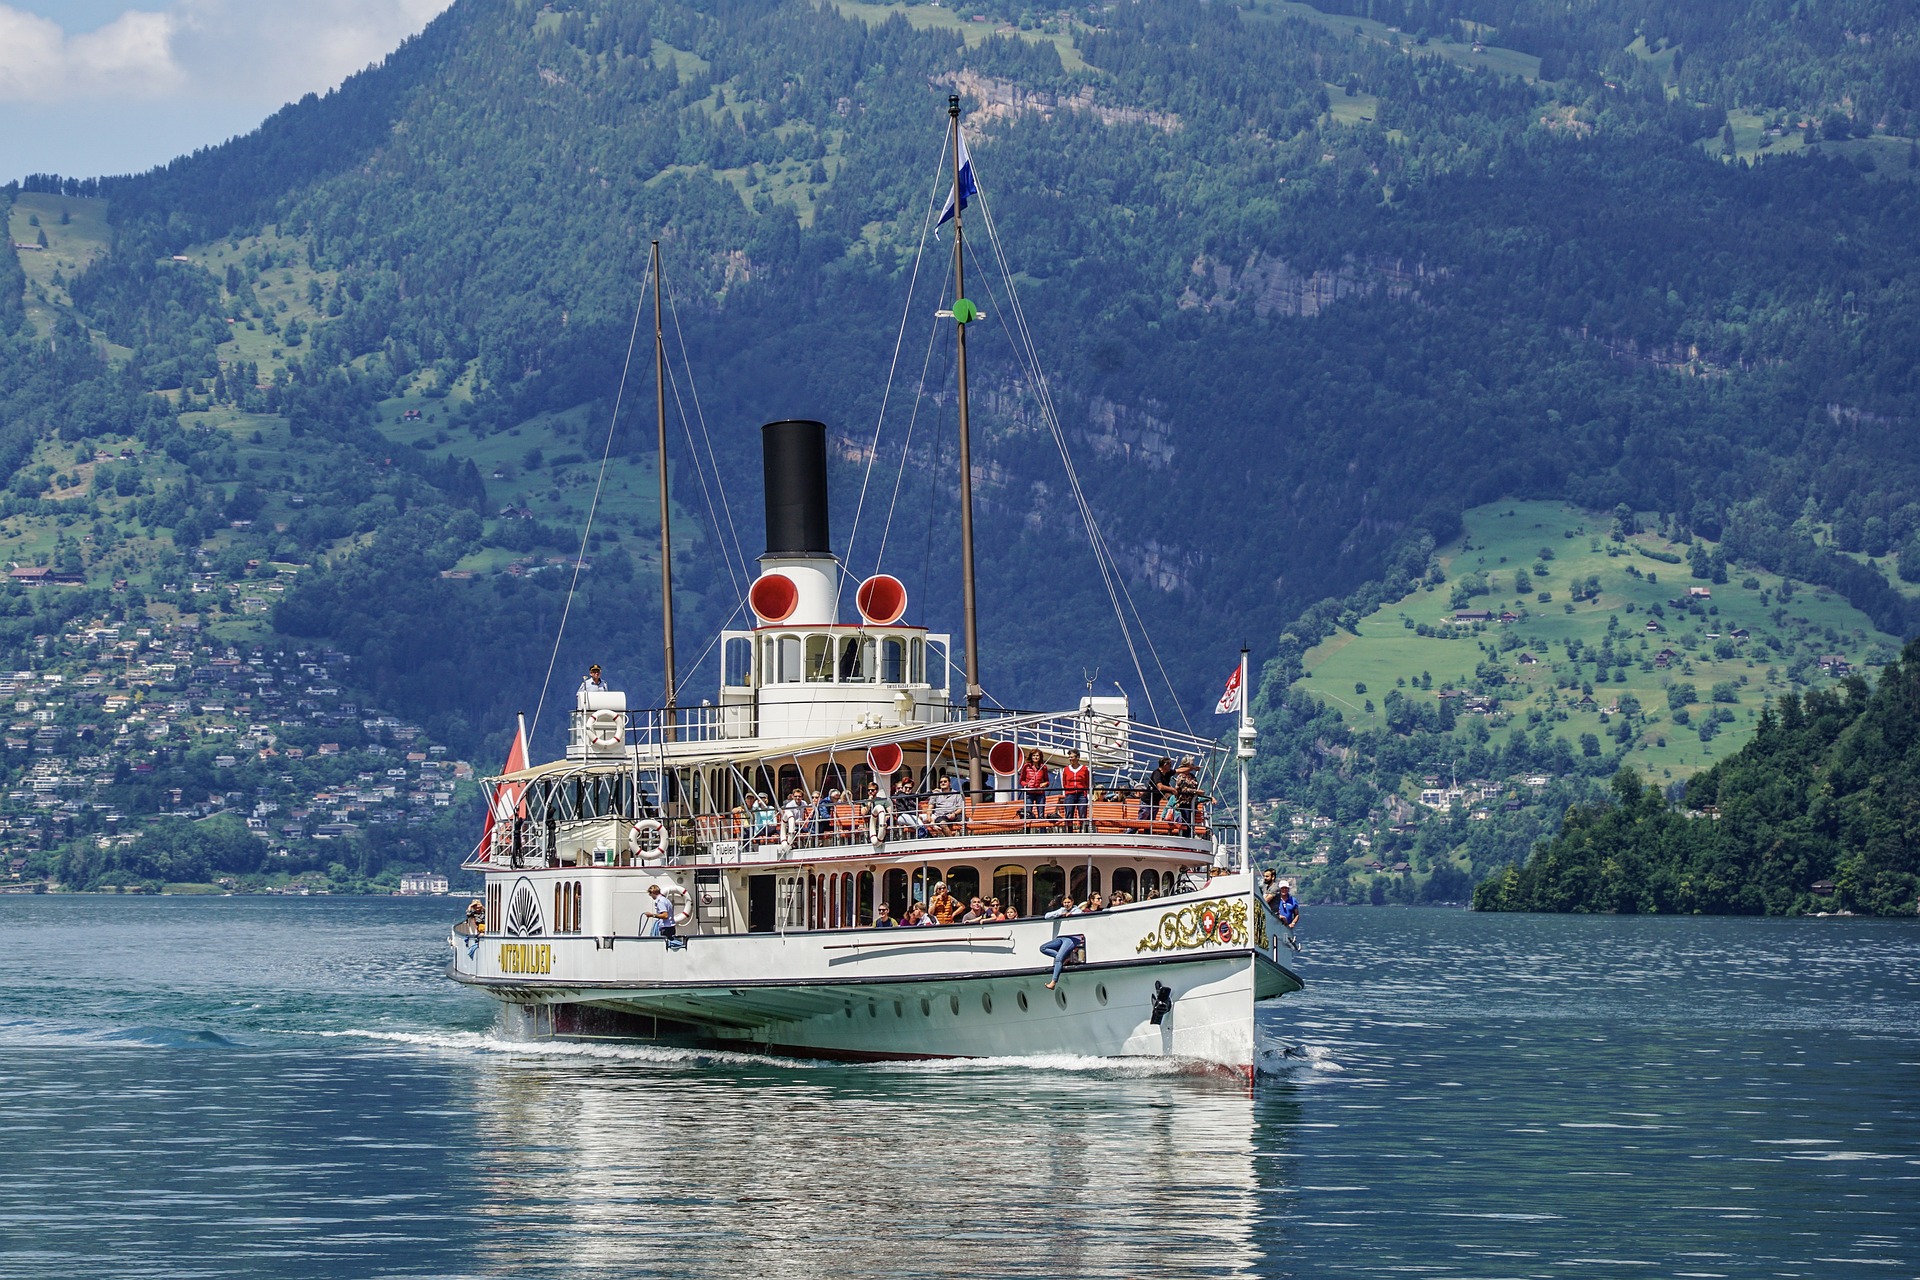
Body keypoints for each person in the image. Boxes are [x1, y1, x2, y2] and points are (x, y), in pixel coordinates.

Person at [1060, 748, 1091, 831]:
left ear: (1077, 758)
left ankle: (1082, 830)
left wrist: (1085, 792)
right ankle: (1070, 830)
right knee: (1069, 812)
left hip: (1081, 794)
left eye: (1072, 757)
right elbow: (1065, 782)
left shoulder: (1084, 769)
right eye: (1069, 757)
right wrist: (1067, 792)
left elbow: (1087, 781)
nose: (1070, 759)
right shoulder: (1066, 769)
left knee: (1082, 812)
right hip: (1070, 794)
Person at [1017, 748, 1051, 822]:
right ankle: (1028, 832)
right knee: (1028, 814)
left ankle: (1042, 832)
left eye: (1037, 756)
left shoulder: (1043, 767)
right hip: (1029, 793)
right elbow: (1021, 781)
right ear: (1031, 757)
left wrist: (1045, 784)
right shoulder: (1026, 766)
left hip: (1040, 793)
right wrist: (1026, 785)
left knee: (1041, 814)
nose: (1036, 757)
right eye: (1034, 755)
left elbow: (1047, 781)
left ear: (1040, 757)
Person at [1141, 757, 1175, 822]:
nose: (1171, 766)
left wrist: (1192, 768)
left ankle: (1148, 832)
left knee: (1151, 822)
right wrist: (1172, 789)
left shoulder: (1168, 773)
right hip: (1147, 802)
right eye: (1170, 764)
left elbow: (1178, 771)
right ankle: (1129, 832)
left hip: (1155, 802)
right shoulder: (1157, 773)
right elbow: (1160, 786)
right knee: (1141, 821)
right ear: (1165, 765)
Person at [1272, 880, 1301, 952]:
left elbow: (1296, 914)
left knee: (1285, 945)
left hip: (1287, 928)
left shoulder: (1293, 900)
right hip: (1275, 925)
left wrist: (1293, 923)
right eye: (1282, 888)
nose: (1284, 890)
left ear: (1288, 889)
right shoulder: (1275, 899)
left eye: (1286, 888)